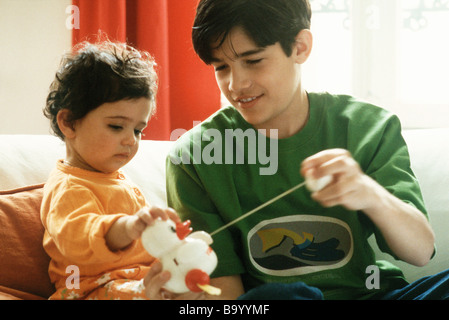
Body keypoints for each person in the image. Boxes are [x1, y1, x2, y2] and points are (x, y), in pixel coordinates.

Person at [164, 0, 449, 300]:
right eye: (221, 67)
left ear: (300, 47)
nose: (236, 84)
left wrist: (369, 193)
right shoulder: (194, 156)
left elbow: (420, 251)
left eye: (254, 60)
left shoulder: (369, 128)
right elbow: (226, 293)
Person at [41, 40, 201, 300]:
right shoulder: (68, 186)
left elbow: (150, 245)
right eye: (117, 126)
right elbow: (76, 238)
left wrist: (173, 239)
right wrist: (127, 227)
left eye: (138, 130)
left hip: (138, 280)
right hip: (89, 289)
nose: (131, 140)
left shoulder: (121, 181)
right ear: (69, 123)